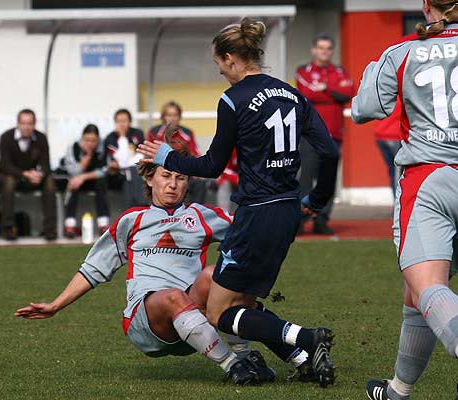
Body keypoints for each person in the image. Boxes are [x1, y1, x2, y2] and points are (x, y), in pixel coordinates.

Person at [138, 18, 340, 387]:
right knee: (242, 304)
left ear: (231, 58)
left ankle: (308, 339)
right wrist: (318, 198)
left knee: (218, 313)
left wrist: (167, 157)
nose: (219, 70)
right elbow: (329, 150)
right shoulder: (292, 94)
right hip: (287, 211)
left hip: (256, 213)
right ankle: (304, 359)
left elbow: (212, 166)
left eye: (218, 63)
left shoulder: (233, 99)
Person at [15, 151, 280, 385]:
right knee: (173, 296)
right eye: (166, 176)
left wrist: (285, 212)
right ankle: (232, 365)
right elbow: (93, 269)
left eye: (180, 178)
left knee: (217, 274)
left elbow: (249, 230)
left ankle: (248, 358)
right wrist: (55, 305)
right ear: (150, 179)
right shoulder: (132, 220)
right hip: (146, 323)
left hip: (193, 318)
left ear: (187, 183)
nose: (173, 184)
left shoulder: (201, 215)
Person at [352, 2, 458, 399]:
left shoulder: (404, 49)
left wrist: (374, 69)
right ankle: (398, 390)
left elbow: (364, 109)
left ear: (425, 4)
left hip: (431, 181)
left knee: (427, 287)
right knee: (417, 292)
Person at [295, 33, 354, 235]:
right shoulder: (303, 71)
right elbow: (306, 93)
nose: (324, 52)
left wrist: (325, 88)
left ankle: (321, 220)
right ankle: (300, 221)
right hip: (310, 135)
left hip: (334, 135)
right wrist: (334, 93)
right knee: (305, 178)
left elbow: (348, 93)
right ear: (314, 50)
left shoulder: (340, 72)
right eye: (321, 48)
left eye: (328, 48)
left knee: (327, 180)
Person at [0, 109, 57, 241]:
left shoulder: (41, 138)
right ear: (18, 124)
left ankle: (50, 228)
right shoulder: (6, 137)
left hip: (32, 178)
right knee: (9, 181)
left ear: (34, 124)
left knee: (49, 181)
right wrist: (25, 174)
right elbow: (4, 165)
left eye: (29, 123)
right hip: (12, 176)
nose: (26, 127)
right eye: (23, 123)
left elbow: (46, 165)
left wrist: (39, 175)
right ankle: (8, 228)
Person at [148, 101, 207, 204]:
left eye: (175, 115)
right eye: (169, 115)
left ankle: (196, 210)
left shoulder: (187, 133)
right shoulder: (154, 132)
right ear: (163, 117)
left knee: (200, 182)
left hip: (183, 172)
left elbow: (195, 155)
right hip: (160, 172)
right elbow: (148, 154)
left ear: (179, 117)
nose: (172, 118)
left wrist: (196, 170)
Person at [62, 124, 110, 238]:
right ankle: (70, 224)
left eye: (93, 141)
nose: (90, 144)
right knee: (73, 183)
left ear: (98, 139)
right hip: (76, 179)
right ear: (82, 138)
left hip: (94, 180)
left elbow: (104, 170)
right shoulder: (73, 146)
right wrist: (87, 157)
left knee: (101, 183)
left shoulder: (103, 146)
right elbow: (72, 171)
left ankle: (103, 224)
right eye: (87, 140)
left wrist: (83, 177)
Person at [104, 109, 148, 209]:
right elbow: (122, 162)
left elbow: (140, 157)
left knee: (131, 172)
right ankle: (141, 205)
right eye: (119, 121)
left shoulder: (138, 133)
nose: (122, 124)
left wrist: (127, 162)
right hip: (115, 175)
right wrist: (122, 137)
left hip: (134, 171)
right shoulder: (111, 138)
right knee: (130, 173)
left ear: (130, 122)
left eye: (124, 121)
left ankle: (131, 209)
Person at [374, 104, 404, 197]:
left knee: (393, 171)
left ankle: (397, 200)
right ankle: (398, 201)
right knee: (398, 173)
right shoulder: (401, 96)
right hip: (395, 135)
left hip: (381, 134)